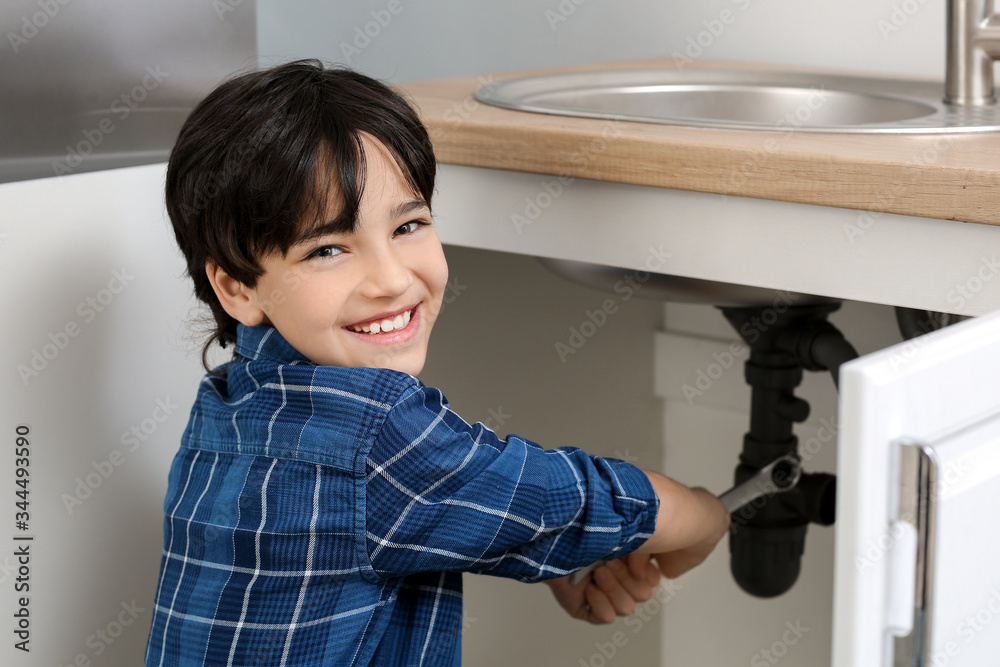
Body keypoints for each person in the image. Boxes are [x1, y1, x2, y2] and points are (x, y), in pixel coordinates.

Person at [145, 59, 729, 666]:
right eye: (327, 249)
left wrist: (547, 554)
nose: (392, 279)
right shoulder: (374, 438)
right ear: (237, 287)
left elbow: (433, 503)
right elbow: (570, 499)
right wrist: (705, 520)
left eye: (409, 225)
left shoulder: (226, 403)